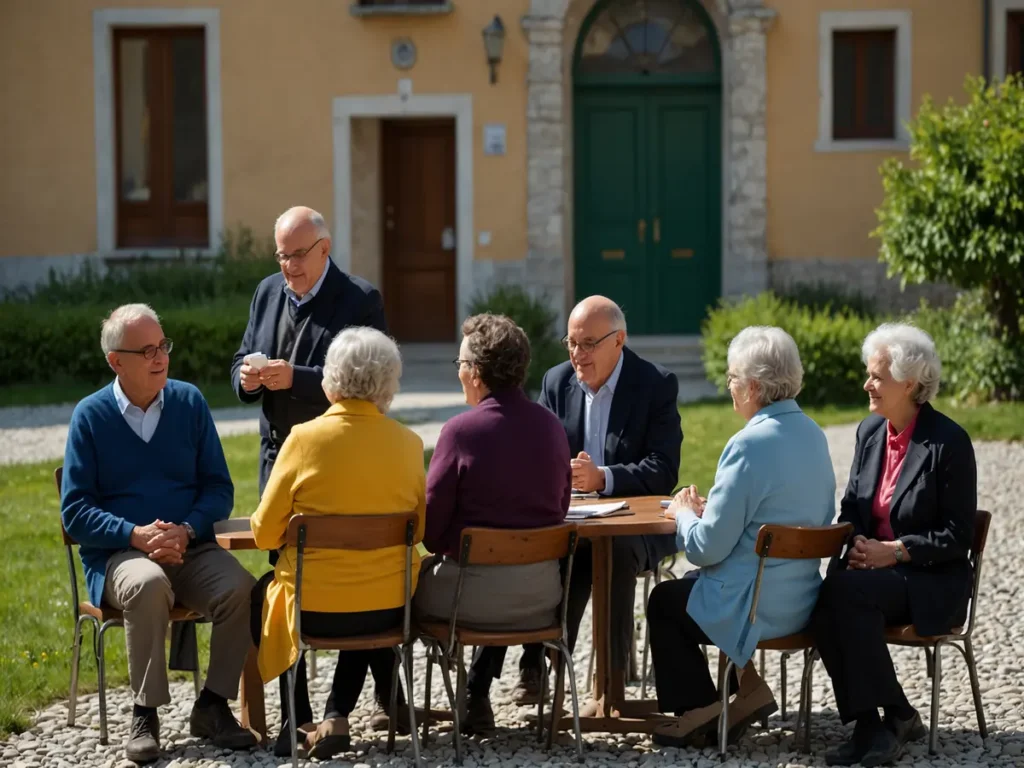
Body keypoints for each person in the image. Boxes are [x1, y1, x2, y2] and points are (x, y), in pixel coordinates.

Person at [61, 304, 256, 764]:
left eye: (163, 346)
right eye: (146, 350)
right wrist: (134, 535)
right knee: (148, 585)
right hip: (119, 555)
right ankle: (144, 713)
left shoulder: (189, 403)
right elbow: (75, 511)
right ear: (116, 361)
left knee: (241, 588)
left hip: (189, 544)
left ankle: (212, 705)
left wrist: (187, 530)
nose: (160, 357)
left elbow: (218, 487)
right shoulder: (89, 416)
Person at [647, 326, 836, 747]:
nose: (729, 386)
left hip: (754, 608)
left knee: (665, 601)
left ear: (752, 386)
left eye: (732, 378)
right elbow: (805, 515)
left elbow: (704, 548)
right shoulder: (814, 435)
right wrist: (712, 511)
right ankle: (746, 691)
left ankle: (700, 713)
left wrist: (682, 516)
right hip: (803, 601)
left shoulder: (747, 445)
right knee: (695, 589)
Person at [249, 327, 426, 759]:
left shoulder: (304, 440)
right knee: (361, 597)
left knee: (260, 593)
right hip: (389, 608)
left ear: (330, 381)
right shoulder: (409, 444)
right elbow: (417, 531)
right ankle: (337, 713)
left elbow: (263, 533)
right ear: (388, 383)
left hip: (313, 609)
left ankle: (297, 716)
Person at [814, 323, 977, 767]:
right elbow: (852, 507)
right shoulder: (870, 433)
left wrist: (896, 550)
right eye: (869, 374)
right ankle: (879, 722)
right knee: (825, 597)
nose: (868, 384)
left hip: (929, 578)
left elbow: (958, 534)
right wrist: (857, 538)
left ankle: (890, 721)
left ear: (909, 382)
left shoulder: (949, 442)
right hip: (873, 574)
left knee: (845, 593)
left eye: (877, 376)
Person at [512, 295, 682, 710]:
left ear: (618, 340)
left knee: (609, 553)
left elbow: (663, 469)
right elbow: (531, 454)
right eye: (571, 343)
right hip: (572, 520)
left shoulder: (654, 384)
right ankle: (539, 662)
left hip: (637, 526)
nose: (577, 354)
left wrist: (603, 477)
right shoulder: (557, 383)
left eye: (588, 344)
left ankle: (611, 683)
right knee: (556, 552)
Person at [414, 314, 572, 732]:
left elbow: (429, 531)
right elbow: (560, 507)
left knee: (400, 589)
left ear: (477, 372)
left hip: (470, 599)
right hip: (542, 596)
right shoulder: (552, 427)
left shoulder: (460, 432)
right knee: (496, 566)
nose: (460, 372)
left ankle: (388, 702)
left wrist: (453, 542)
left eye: (461, 364)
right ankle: (475, 694)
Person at [230, 205, 388, 497]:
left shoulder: (360, 300)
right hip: (275, 455)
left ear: (324, 248)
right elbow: (242, 357)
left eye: (299, 255)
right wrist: (245, 378)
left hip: (335, 456)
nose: (290, 265)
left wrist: (295, 379)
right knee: (277, 541)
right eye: (282, 256)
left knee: (326, 543)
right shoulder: (266, 291)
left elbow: (370, 384)